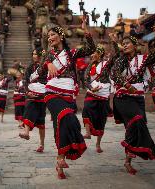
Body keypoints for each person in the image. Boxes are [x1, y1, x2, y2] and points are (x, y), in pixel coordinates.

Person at [34, 16, 95, 179]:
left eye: (53, 34)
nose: (50, 38)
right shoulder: (48, 55)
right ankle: (61, 158)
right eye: (48, 36)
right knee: (66, 117)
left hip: (68, 95)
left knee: (61, 123)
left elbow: (90, 48)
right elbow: (40, 71)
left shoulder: (72, 53)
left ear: (61, 36)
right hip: (52, 94)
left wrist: (85, 29)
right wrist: (48, 63)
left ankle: (60, 161)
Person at [111, 26, 155, 175]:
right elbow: (114, 73)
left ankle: (127, 161)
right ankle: (140, 150)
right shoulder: (122, 60)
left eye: (128, 42)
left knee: (134, 127)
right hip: (123, 97)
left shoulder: (143, 59)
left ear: (135, 45)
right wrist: (127, 85)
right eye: (124, 43)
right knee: (136, 120)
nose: (126, 45)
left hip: (138, 98)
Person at [19, 48, 47, 153]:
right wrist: (27, 92)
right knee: (29, 109)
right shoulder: (30, 67)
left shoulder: (46, 66)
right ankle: (26, 132)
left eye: (36, 54)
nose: (34, 55)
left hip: (42, 95)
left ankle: (41, 144)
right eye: (33, 54)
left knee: (41, 122)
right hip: (32, 94)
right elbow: (25, 80)